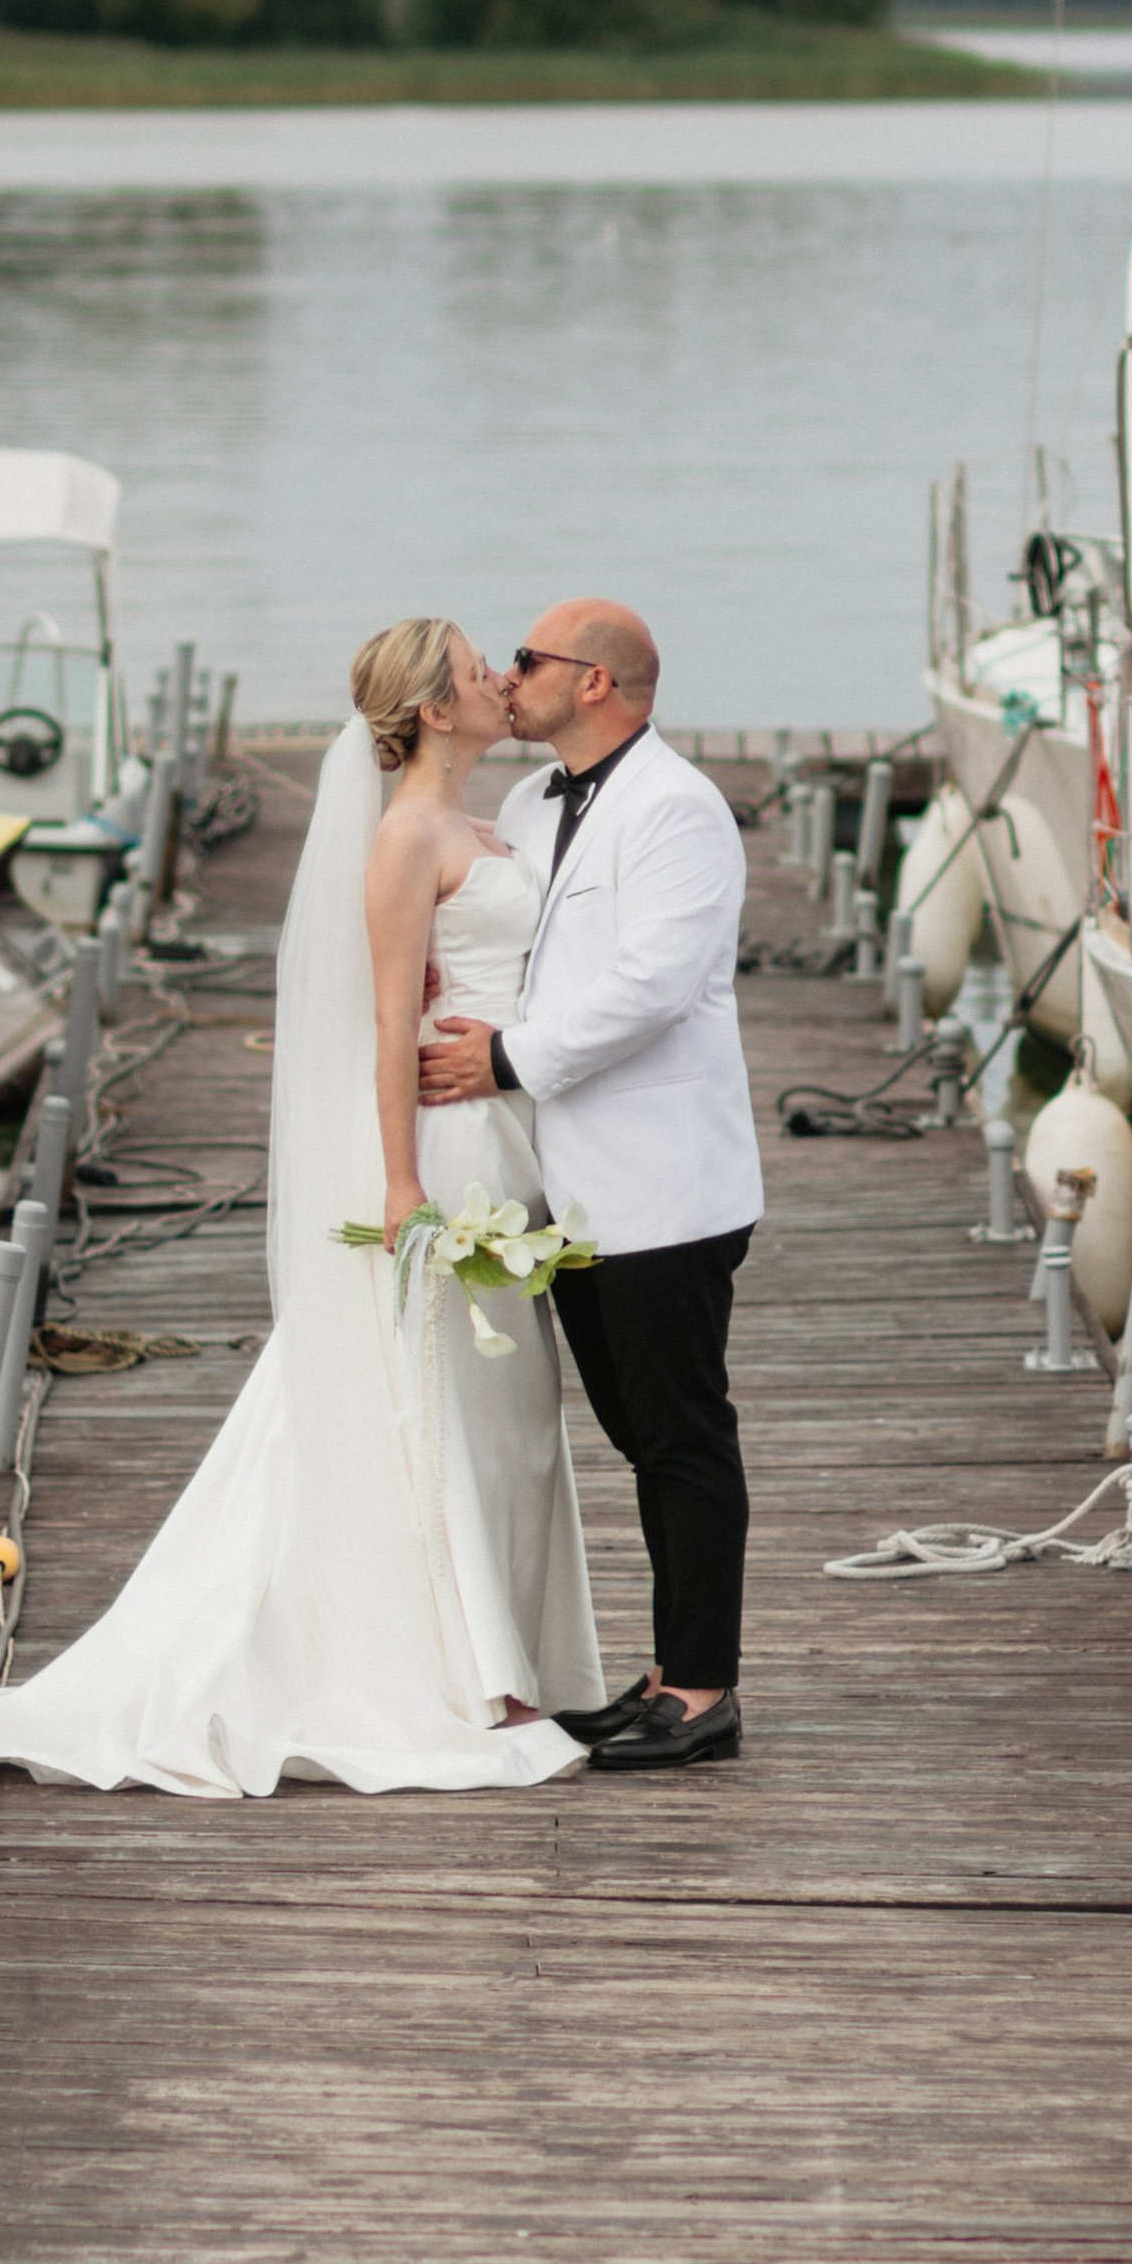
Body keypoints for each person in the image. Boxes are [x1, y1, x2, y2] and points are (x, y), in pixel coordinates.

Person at [0, 621, 601, 1799]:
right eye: (476, 673)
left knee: (506, 1413)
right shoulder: (406, 838)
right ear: (430, 710)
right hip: (444, 1152)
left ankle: (506, 1646)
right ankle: (462, 1670)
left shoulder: (489, 823)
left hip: (507, 1139)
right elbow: (381, 1024)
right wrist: (403, 1181)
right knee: (436, 1402)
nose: (498, 684)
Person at [420, 597, 762, 1771]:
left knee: (681, 1433)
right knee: (631, 1431)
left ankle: (704, 1690)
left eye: (527, 660)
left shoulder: (679, 809)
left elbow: (655, 985)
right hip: (559, 1189)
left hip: (664, 1180)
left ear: (596, 683)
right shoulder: (525, 801)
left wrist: (504, 1059)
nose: (509, 676)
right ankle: (666, 1672)